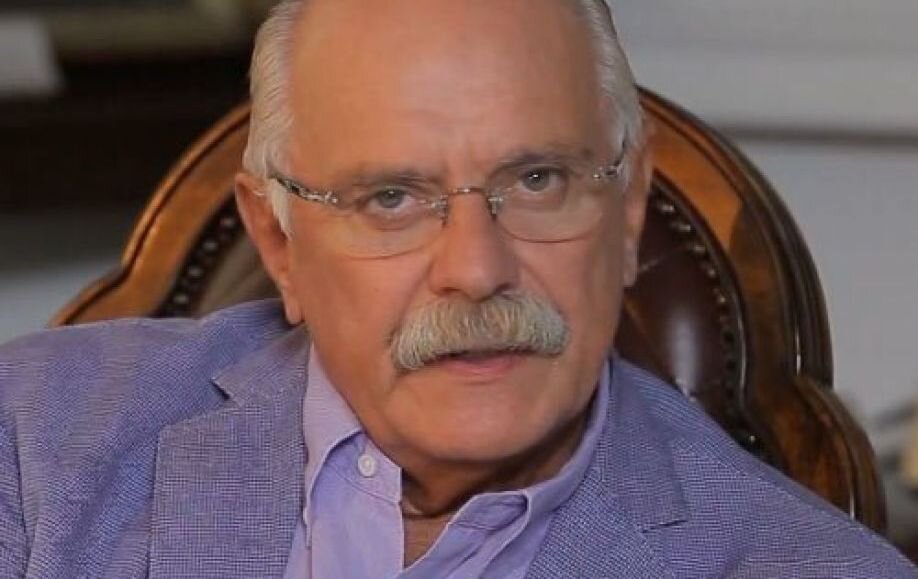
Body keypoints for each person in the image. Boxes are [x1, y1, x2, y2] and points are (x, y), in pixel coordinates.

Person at [0, 0, 914, 577]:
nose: (477, 269)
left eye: (538, 180)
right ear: (279, 242)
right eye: (391, 198)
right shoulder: (33, 441)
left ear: (628, 210)